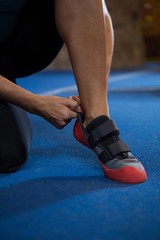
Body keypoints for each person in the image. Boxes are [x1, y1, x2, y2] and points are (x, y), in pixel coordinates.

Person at [0, 0, 147, 183]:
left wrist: (95, 105)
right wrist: (35, 103)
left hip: (18, 45)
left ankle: (93, 122)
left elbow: (99, 17)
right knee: (9, 153)